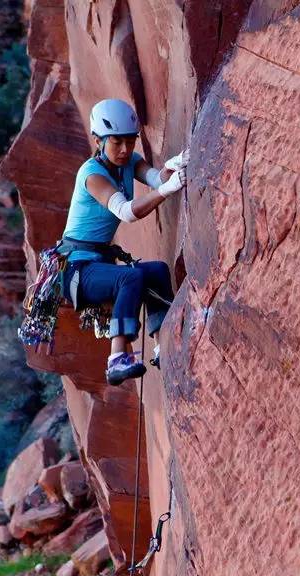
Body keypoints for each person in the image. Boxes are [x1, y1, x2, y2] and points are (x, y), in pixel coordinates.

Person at [59, 98, 188, 386]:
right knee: (129, 279)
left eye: (130, 142)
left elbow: (155, 178)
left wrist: (172, 167)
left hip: (97, 264)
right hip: (77, 270)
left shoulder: (128, 161)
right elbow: (126, 212)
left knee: (155, 271)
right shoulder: (91, 175)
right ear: (98, 140)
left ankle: (162, 344)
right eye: (116, 142)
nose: (124, 149)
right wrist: (167, 190)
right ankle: (117, 358)